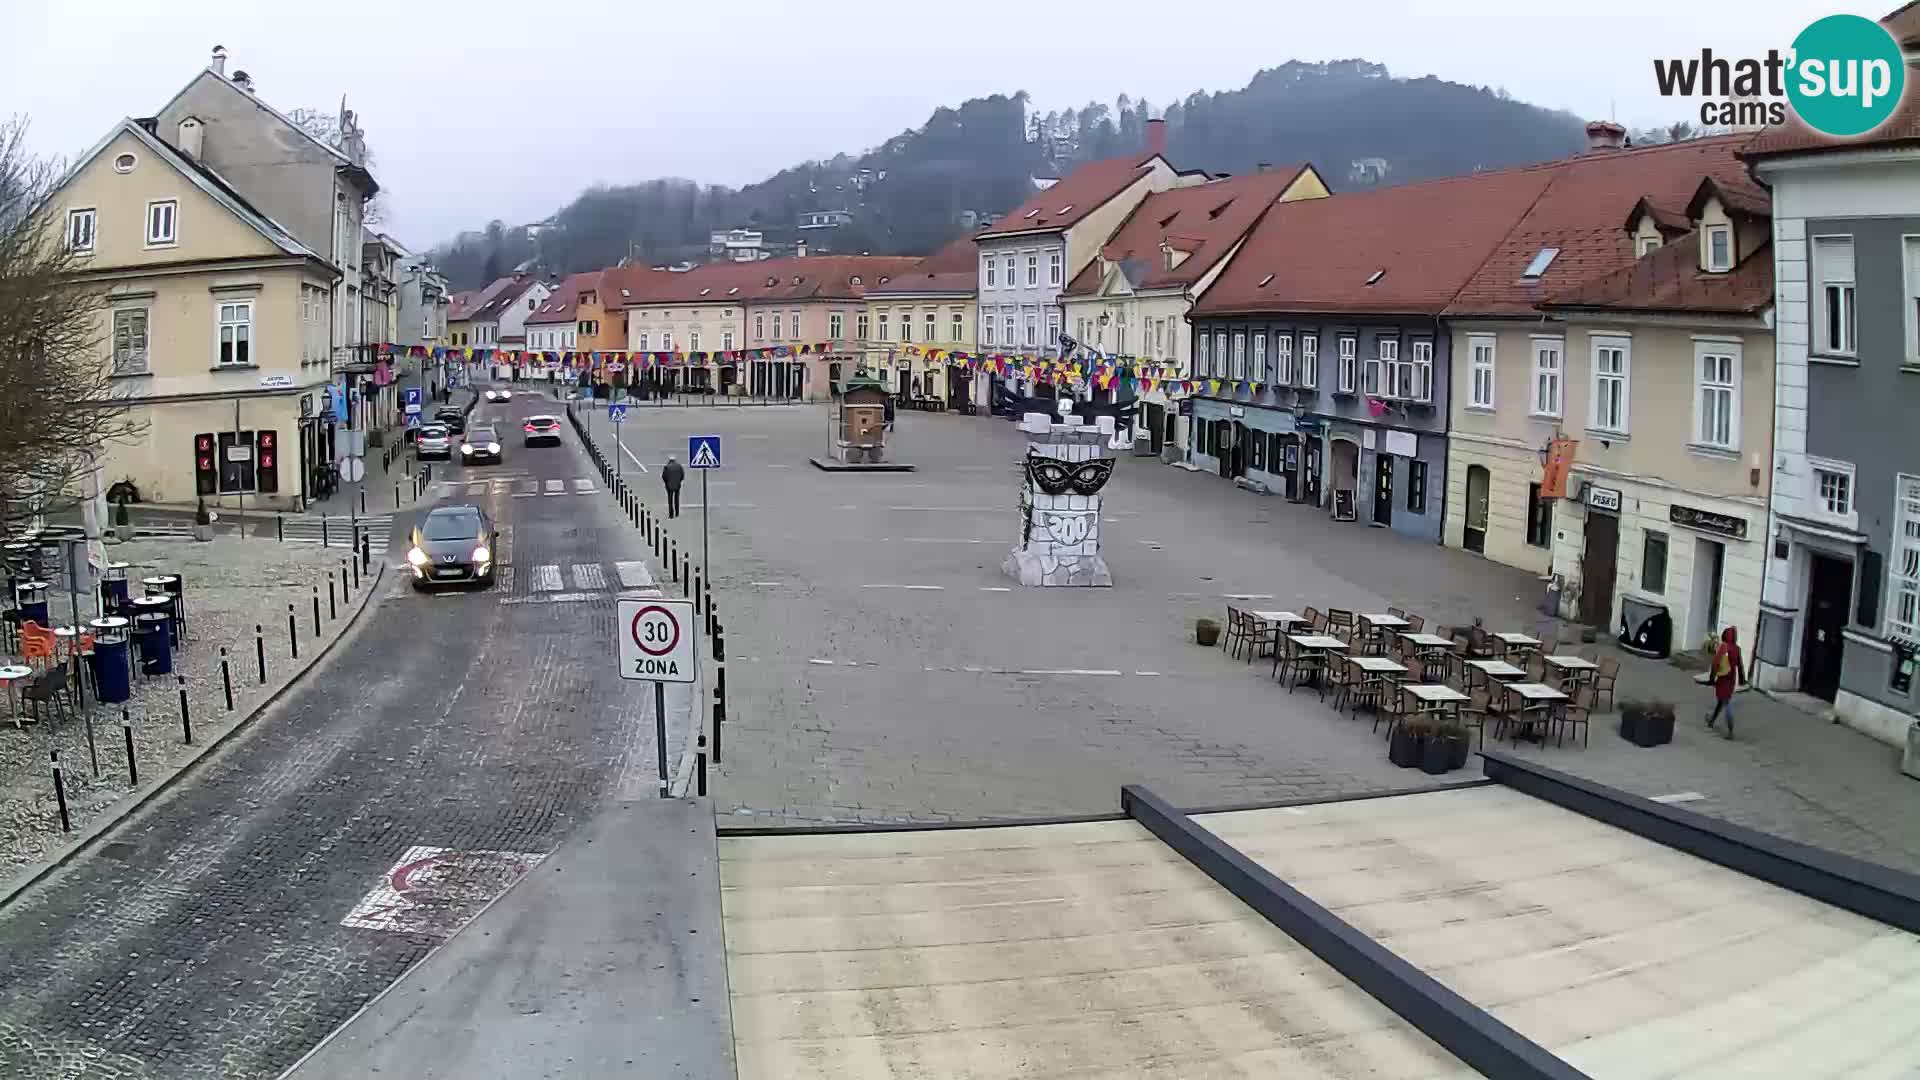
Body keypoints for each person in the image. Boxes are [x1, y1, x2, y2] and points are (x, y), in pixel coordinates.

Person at [1705, 626, 1745, 738]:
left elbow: (1715, 663)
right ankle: (1711, 720)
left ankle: (1730, 730)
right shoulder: (1737, 649)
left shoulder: (1724, 647)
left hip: (1723, 678)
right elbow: (1740, 665)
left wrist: (1711, 679)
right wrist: (1742, 679)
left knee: (1726, 702)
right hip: (1731, 679)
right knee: (1721, 700)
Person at [662, 455, 684, 519]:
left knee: (670, 501)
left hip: (669, 486)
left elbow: (664, 476)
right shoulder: (679, 466)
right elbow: (682, 475)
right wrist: (679, 481)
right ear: (675, 460)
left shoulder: (667, 467)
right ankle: (677, 513)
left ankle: (671, 514)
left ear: (670, 461)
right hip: (677, 485)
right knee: (677, 499)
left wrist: (666, 482)